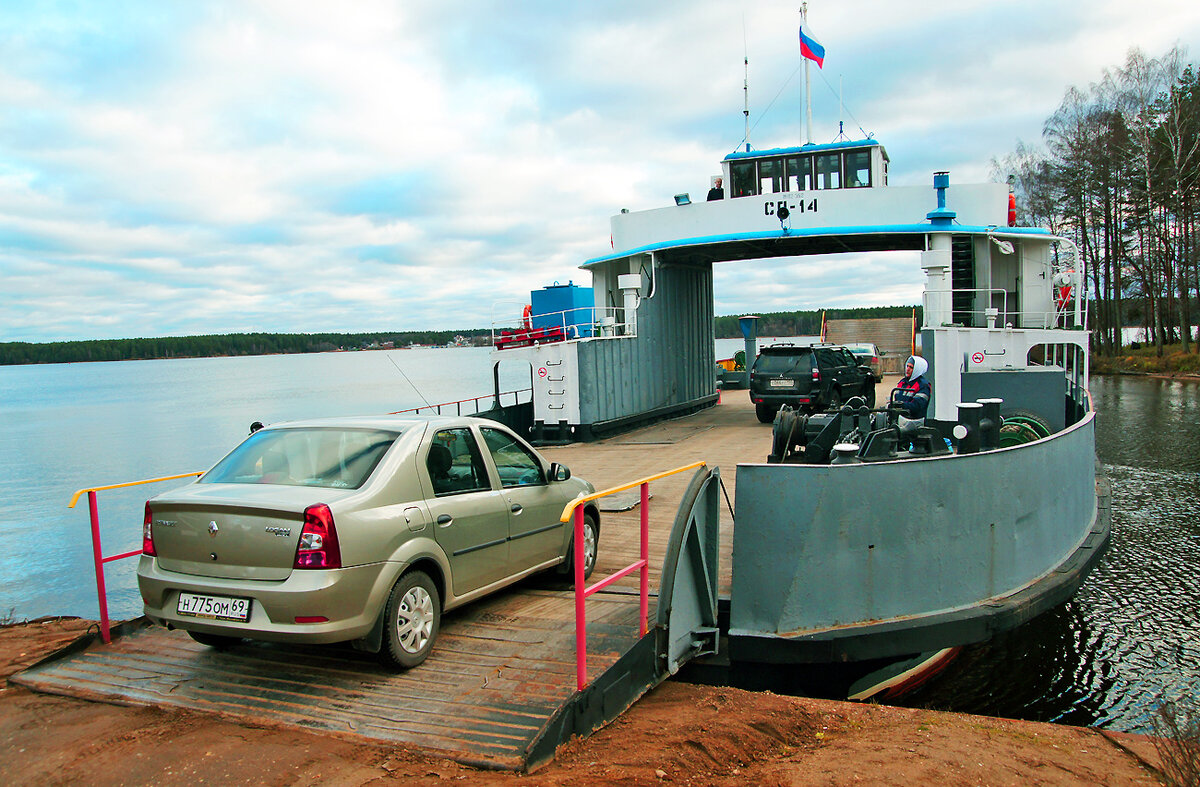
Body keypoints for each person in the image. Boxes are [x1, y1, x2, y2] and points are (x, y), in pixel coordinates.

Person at [890, 355, 931, 435]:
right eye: (907, 366)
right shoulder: (902, 382)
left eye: (911, 367)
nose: (907, 369)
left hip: (916, 423)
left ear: (917, 370)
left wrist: (901, 405)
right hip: (901, 421)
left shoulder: (923, 385)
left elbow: (918, 406)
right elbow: (896, 397)